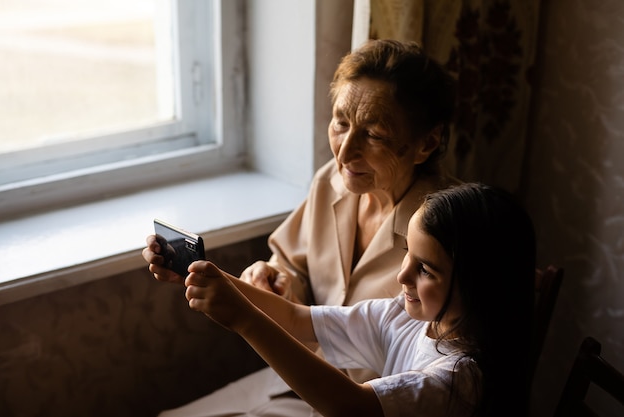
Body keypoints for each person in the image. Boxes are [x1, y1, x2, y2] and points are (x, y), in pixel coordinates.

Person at [143, 39, 458, 416]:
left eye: (373, 134)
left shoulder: (445, 234)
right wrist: (273, 276)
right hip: (291, 375)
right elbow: (290, 266)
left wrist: (243, 307)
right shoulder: (332, 183)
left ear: (427, 143)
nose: (343, 152)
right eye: (340, 123)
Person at [182, 182, 537, 417]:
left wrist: (245, 319)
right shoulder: (406, 317)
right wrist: (202, 273)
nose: (402, 276)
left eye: (426, 269)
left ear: (479, 285)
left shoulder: (460, 380)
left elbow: (350, 405)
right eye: (406, 253)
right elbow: (296, 319)